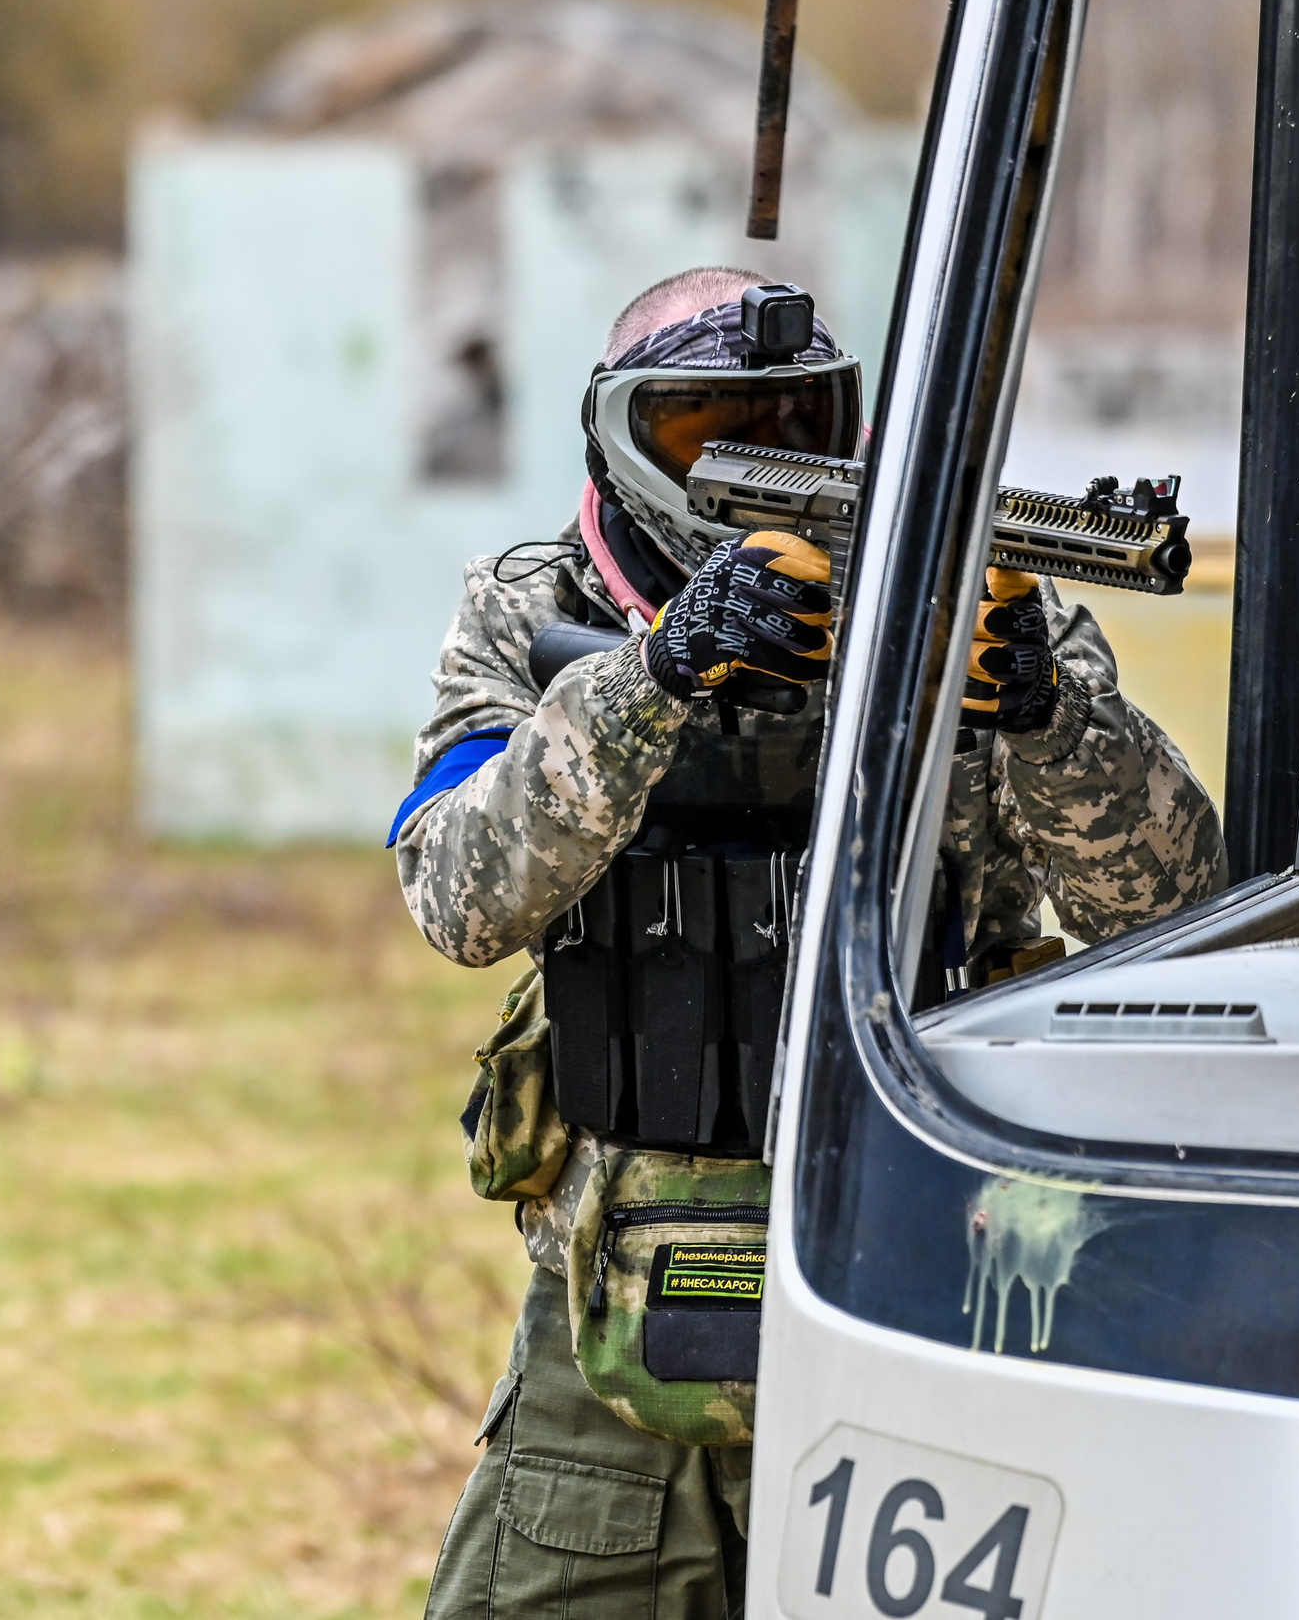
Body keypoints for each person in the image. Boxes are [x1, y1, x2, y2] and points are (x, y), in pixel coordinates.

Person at [392, 266, 1223, 1620]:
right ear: (618, 435)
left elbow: (1172, 906)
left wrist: (1044, 717)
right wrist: (652, 679)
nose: (757, 462)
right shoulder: (537, 608)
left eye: (797, 421)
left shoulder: (973, 612)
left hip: (925, 1272)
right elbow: (458, 898)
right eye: (708, 427)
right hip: (615, 1290)